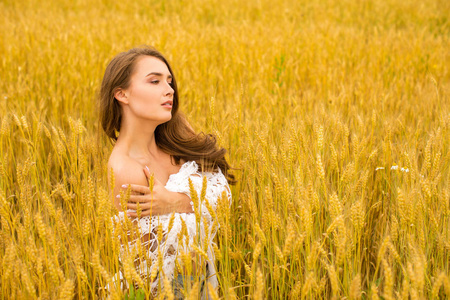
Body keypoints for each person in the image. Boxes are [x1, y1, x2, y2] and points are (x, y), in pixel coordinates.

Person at [98, 46, 235, 298]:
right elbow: (146, 271)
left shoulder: (176, 131)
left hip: (205, 281)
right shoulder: (126, 169)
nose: (169, 90)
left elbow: (224, 194)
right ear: (122, 94)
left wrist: (174, 202)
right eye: (154, 81)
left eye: (169, 81)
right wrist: (196, 203)